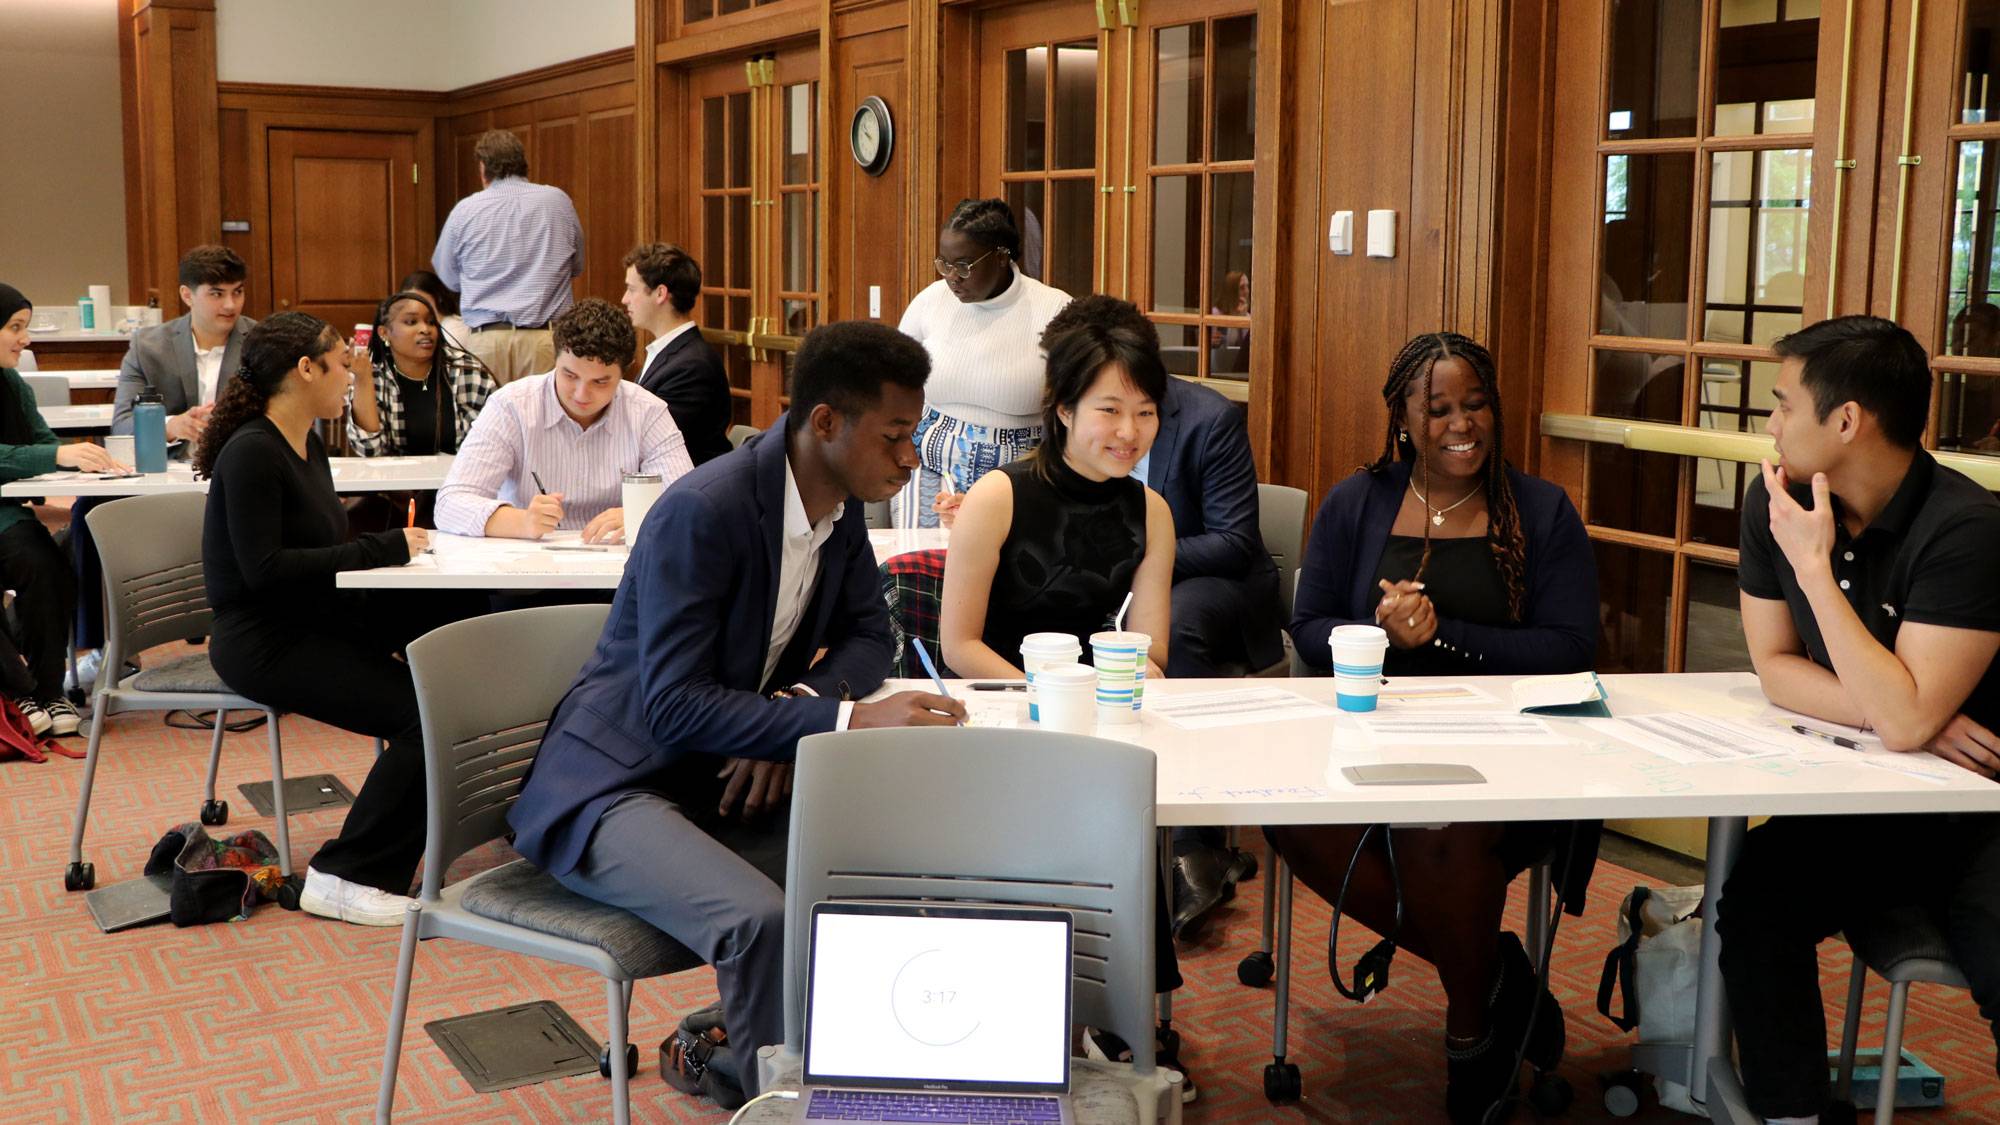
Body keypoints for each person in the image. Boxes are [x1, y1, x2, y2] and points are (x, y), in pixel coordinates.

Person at [508, 320, 965, 1103]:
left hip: (711, 771)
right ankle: (779, 1106)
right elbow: (673, 706)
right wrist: (845, 722)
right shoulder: (704, 510)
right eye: (893, 436)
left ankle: (817, 1068)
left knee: (894, 862)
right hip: (613, 786)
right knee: (761, 921)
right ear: (826, 422)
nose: (910, 457)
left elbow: (869, 635)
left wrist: (796, 707)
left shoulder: (838, 507)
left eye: (913, 434)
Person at [1272, 331, 1599, 1124]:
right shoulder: (1357, 501)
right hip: (1372, 741)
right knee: (1284, 813)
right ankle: (1496, 974)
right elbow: (1308, 626)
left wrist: (1444, 637)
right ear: (1403, 418)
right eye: (1438, 408)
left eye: (1475, 404)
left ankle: (1471, 1032)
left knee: (1435, 831)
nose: (1462, 424)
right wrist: (1374, 632)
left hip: (1513, 757)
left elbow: (1570, 647)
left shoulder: (1541, 509)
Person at [1718, 315, 2000, 1125]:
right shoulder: (1776, 499)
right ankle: (1794, 1113)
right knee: (1757, 897)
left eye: (1782, 404)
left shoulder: (1967, 528)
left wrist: (1815, 570)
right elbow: (1776, 665)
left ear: (1846, 421)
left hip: (1978, 807)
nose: (1771, 424)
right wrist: (1903, 711)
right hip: (1873, 797)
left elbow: (1906, 718)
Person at [936, 313, 1195, 1097]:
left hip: (1093, 716)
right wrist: (1049, 703)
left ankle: (1117, 1013)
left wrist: (1105, 699)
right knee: (1068, 798)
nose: (1129, 431)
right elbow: (958, 643)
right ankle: (1042, 1014)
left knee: (1120, 794)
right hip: (999, 712)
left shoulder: (1150, 511)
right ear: (1063, 408)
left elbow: (1152, 649)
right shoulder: (999, 495)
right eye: (1109, 409)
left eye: (1145, 411)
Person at [197, 312, 466, 926]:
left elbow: (318, 557)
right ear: (306, 369)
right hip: (263, 638)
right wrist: (382, 549)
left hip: (314, 614)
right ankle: (345, 876)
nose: (351, 375)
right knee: (425, 716)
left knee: (454, 633)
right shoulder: (252, 452)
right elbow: (265, 571)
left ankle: (469, 817)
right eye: (343, 364)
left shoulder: (306, 441)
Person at [1032, 295, 1281, 938]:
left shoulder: (1207, 419)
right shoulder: (1068, 417)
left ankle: (1193, 840)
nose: (1124, 424)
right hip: (1117, 582)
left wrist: (1133, 556)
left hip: (1213, 583)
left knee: (1172, 625)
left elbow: (1234, 540)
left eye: (1136, 405)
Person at [73, 246, 256, 690]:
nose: (230, 305)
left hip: (239, 474)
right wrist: (173, 425)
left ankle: (259, 645)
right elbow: (121, 423)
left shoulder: (261, 342)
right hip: (167, 475)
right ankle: (107, 649)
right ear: (187, 295)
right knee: (89, 511)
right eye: (217, 293)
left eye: (237, 292)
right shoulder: (148, 345)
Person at [434, 298, 691, 543]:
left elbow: (687, 501)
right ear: (555, 359)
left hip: (618, 564)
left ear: (627, 370)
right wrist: (522, 521)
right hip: (527, 564)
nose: (581, 394)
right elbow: (450, 504)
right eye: (569, 375)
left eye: (600, 382)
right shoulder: (512, 406)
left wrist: (639, 514)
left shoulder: (647, 411)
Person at [894, 198, 1071, 528]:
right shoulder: (931, 301)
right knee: (923, 556)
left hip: (1019, 476)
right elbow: (892, 379)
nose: (952, 278)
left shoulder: (1054, 309)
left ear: (1001, 257)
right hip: (930, 468)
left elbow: (1077, 404)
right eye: (944, 264)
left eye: (963, 266)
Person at [0, 284, 122, 736]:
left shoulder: (12, 383)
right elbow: (44, 452)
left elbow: (40, 440)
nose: (25, 339)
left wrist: (86, 461)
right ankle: (19, 691)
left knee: (46, 566)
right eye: (15, 328)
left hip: (6, 515)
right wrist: (56, 455)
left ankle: (49, 691)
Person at [432, 130, 583, 384]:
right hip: (545, 340)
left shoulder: (465, 210)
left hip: (486, 340)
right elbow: (576, 266)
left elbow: (448, 278)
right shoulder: (558, 202)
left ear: (483, 169)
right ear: (524, 164)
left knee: (487, 410)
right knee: (544, 410)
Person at [620, 242, 732, 465]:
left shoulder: (693, 366)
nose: (625, 299)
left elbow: (649, 442)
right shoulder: (670, 352)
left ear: (660, 293)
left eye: (632, 289)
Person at [346, 289, 493, 457]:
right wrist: (363, 379)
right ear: (384, 333)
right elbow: (370, 450)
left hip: (461, 470)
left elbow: (493, 442)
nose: (425, 329)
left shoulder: (466, 372)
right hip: (398, 474)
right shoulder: (375, 377)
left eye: (431, 322)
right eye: (411, 322)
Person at [398, 269, 473, 355]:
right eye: (409, 301)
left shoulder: (455, 327)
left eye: (421, 300)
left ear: (438, 297)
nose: (415, 306)